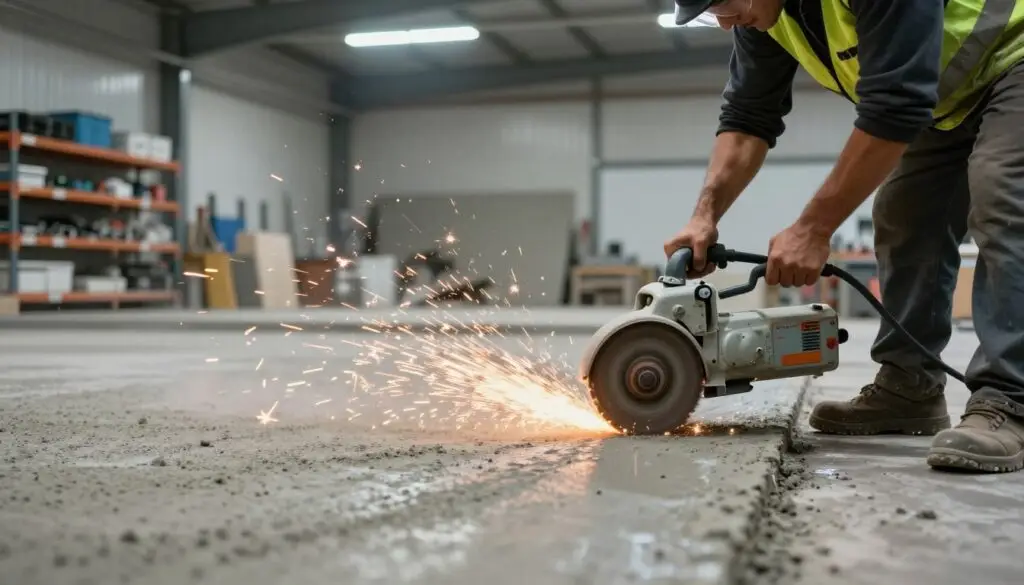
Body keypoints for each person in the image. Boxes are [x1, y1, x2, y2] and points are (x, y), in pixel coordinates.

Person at [664, 0, 1024, 473]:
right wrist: (704, 216)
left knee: (1002, 192)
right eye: (714, 15)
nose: (727, 21)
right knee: (903, 214)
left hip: (1012, 57)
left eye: (725, 4)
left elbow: (896, 103)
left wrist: (813, 228)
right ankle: (909, 387)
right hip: (947, 97)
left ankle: (1010, 399)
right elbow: (748, 117)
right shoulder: (760, 15)